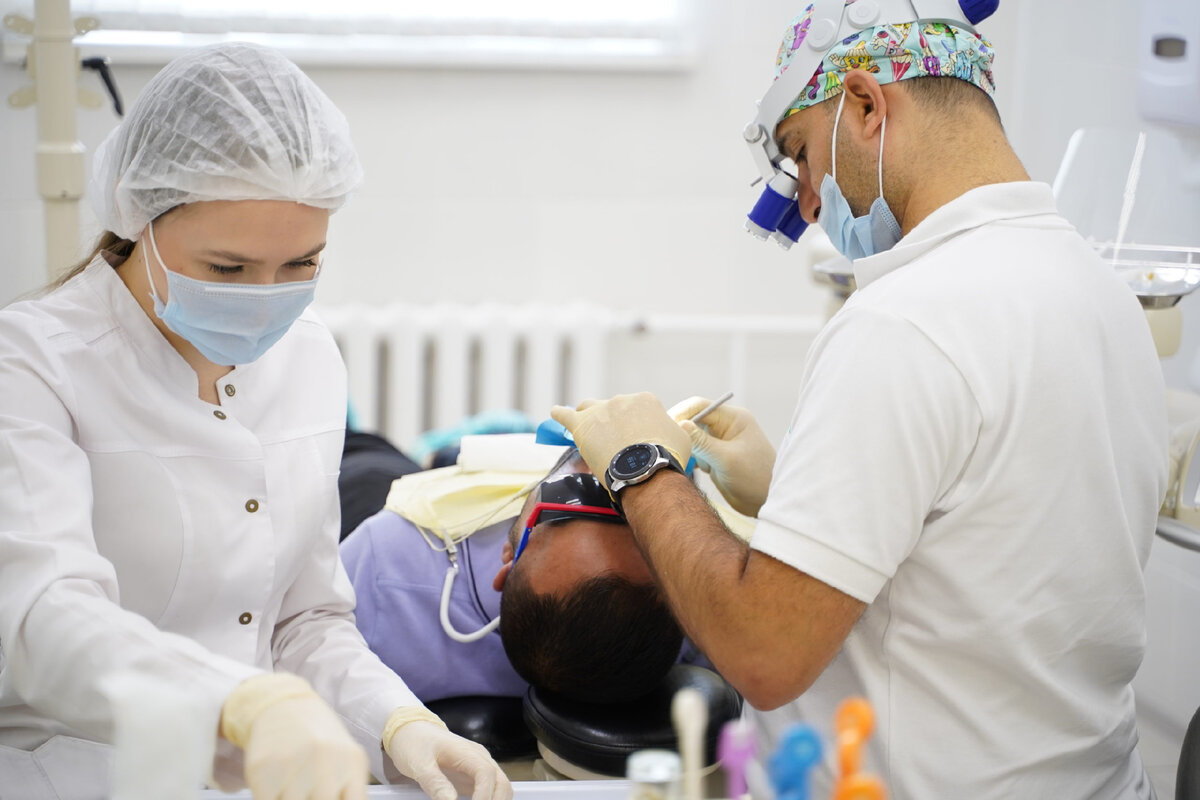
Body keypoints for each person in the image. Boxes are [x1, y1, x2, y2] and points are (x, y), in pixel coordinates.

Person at [552, 4, 1168, 798]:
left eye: (801, 155)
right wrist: (785, 493)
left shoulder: (904, 321)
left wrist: (644, 469)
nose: (808, 204)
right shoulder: (1103, 294)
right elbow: (995, 548)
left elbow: (764, 653)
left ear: (869, 104)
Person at [0, 42, 508, 800]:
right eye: (226, 269)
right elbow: (45, 621)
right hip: (64, 769)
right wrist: (243, 702)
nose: (265, 298)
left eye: (302, 265)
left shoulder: (310, 358)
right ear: (138, 215)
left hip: (245, 777)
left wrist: (398, 722)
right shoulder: (32, 362)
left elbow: (305, 620)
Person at [341, 444, 706, 704]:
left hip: (364, 489)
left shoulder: (386, 558)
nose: (615, 475)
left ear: (508, 555)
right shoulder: (699, 630)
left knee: (365, 449)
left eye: (571, 492)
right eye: (648, 520)